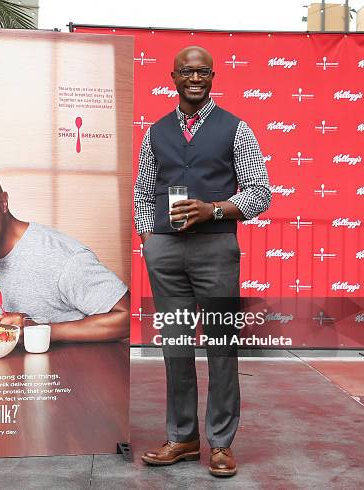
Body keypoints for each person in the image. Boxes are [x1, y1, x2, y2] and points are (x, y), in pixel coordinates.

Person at [134, 46, 271, 476]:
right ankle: (182, 437)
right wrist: (148, 237)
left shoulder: (236, 129)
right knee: (175, 348)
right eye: (187, 72)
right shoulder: (154, 133)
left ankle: (222, 443)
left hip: (215, 249)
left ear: (212, 77)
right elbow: (142, 189)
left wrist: (213, 209)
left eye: (203, 72)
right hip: (165, 251)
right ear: (173, 76)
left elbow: (259, 193)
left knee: (221, 347)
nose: (195, 78)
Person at [0, 165, 129, 341]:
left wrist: (39, 330)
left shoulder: (62, 257)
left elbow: (128, 318)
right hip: (23, 370)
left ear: (3, 203)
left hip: (81, 369)